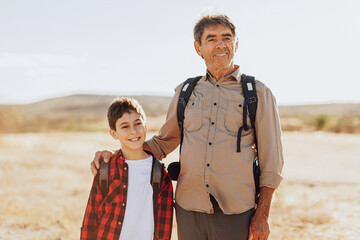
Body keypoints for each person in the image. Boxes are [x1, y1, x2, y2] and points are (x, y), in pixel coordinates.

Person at [91, 14, 284, 240]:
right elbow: (164, 142)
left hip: (237, 209)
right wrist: (115, 156)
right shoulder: (185, 91)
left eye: (227, 38)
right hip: (188, 207)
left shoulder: (258, 93)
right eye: (211, 39)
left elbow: (272, 160)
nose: (221, 44)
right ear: (198, 47)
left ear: (236, 43)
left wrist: (262, 214)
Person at [82, 97, 173, 240]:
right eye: (125, 126)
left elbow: (164, 227)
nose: (133, 131)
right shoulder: (106, 169)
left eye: (138, 124)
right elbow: (90, 218)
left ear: (145, 126)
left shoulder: (160, 174)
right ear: (114, 133)